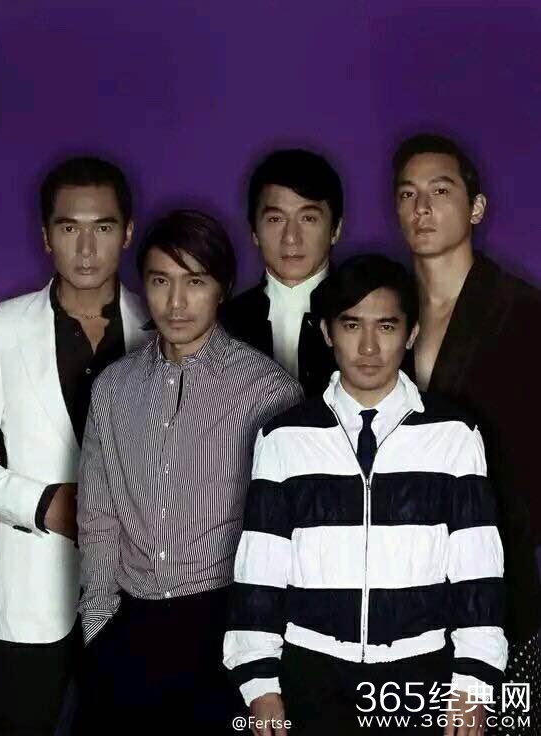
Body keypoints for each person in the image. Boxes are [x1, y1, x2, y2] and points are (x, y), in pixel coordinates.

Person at [224, 254, 507, 735]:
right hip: (311, 673)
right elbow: (259, 569)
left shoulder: (454, 434)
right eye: (352, 325)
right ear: (328, 332)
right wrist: (259, 683)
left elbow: (478, 568)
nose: (369, 347)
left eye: (387, 326)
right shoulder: (283, 437)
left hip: (422, 673)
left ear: (411, 333)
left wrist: (474, 684)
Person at [76, 209, 303, 733]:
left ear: (222, 288)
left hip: (224, 629)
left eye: (195, 282)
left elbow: (288, 539)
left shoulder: (270, 392)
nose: (176, 303)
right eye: (161, 281)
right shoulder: (112, 388)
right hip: (128, 630)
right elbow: (98, 517)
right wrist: (98, 624)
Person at [0, 156, 149, 734]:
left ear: (127, 232)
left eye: (102, 227)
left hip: (137, 597)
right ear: (45, 236)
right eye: (68, 227)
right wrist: (48, 505)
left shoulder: (161, 326)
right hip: (29, 598)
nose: (85, 248)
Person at [393, 133, 541, 731]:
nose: (422, 208)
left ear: (475, 208)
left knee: (508, 725)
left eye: (440, 191)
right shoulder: (383, 314)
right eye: (408, 194)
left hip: (501, 588)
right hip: (398, 590)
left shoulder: (524, 314)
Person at [220, 148, 343, 396]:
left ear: (336, 229)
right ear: (254, 231)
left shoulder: (369, 316)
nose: (291, 238)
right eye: (275, 219)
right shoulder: (222, 326)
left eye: (308, 218)